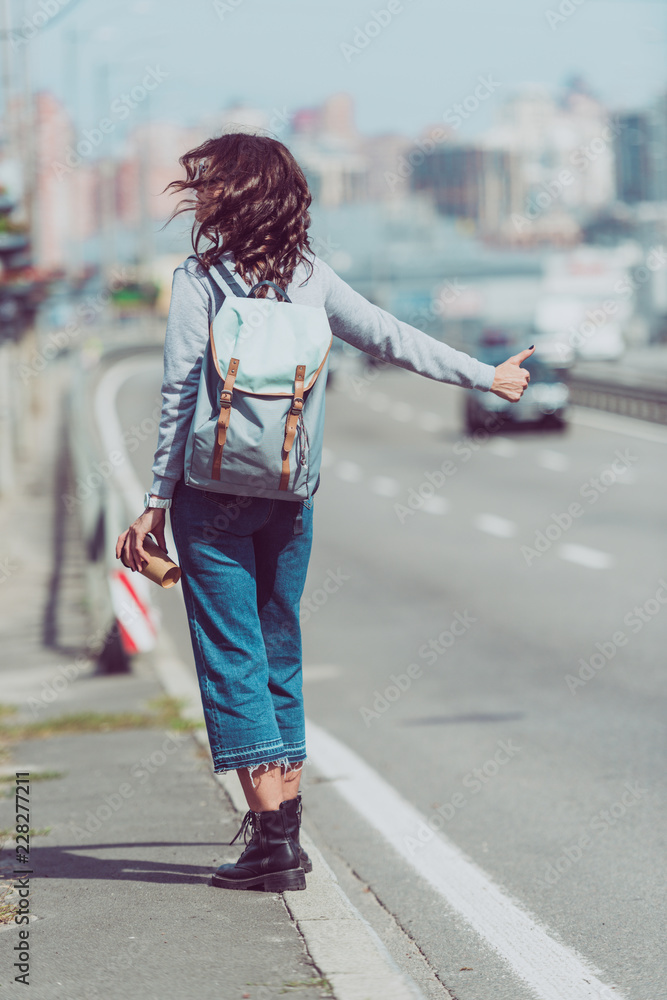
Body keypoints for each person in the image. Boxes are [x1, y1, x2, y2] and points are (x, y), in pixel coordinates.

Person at [115, 132, 533, 893]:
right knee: (279, 649)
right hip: (287, 491)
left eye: (208, 184)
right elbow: (392, 337)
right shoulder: (311, 277)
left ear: (231, 195)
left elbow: (179, 395)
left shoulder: (200, 279)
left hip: (211, 497)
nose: (200, 194)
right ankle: (288, 836)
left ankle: (269, 843)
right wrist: (484, 375)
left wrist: (153, 502)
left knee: (229, 656)